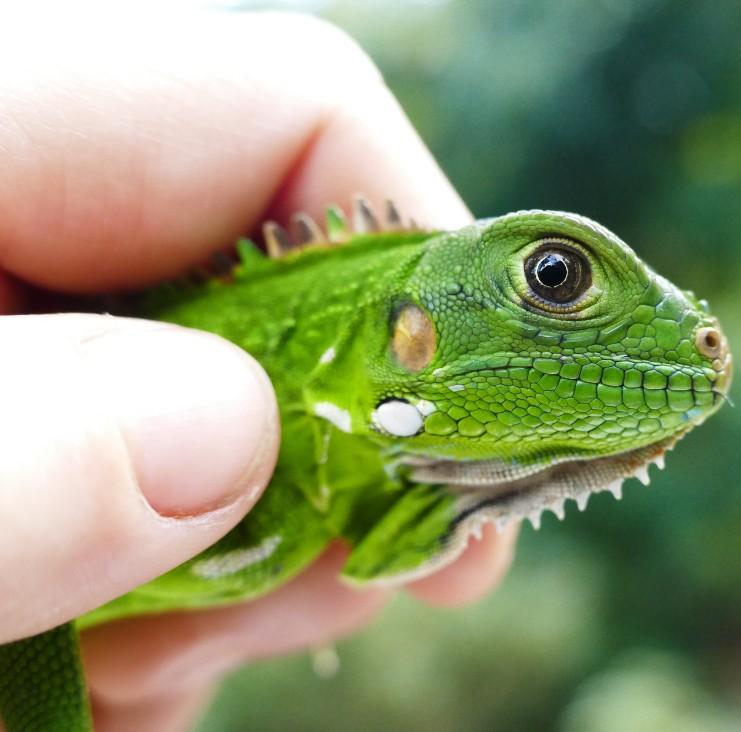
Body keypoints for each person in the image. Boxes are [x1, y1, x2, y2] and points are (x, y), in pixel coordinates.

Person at [0, 12, 518, 731]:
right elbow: (39, 585)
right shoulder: (227, 440)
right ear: (413, 333)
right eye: (554, 278)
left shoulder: (309, 513)